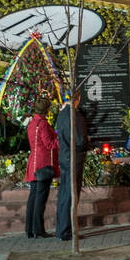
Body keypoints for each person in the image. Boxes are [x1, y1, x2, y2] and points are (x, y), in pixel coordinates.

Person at [54, 92, 89, 241]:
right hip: (74, 158)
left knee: (64, 194)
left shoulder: (61, 115)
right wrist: (87, 140)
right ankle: (66, 231)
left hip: (63, 156)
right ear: (78, 99)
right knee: (71, 195)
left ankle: (61, 228)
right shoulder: (76, 116)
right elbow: (80, 140)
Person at [24, 97, 59, 239]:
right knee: (40, 199)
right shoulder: (43, 124)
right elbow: (49, 144)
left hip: (33, 162)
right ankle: (39, 229)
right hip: (42, 163)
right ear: (47, 109)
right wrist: (61, 138)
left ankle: (29, 229)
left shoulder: (32, 122)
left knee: (33, 197)